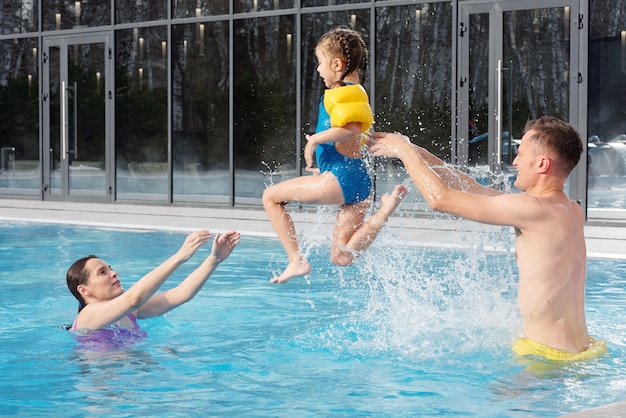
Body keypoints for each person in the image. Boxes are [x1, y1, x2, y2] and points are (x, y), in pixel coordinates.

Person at [368, 116, 607, 362]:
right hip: (583, 350)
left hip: (545, 358)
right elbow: (468, 187)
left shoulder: (532, 209)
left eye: (521, 155)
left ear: (542, 164)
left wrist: (405, 153)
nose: (514, 162)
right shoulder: (571, 209)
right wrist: (414, 149)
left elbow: (440, 199)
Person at [262, 27, 407, 284]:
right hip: (356, 179)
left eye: (320, 63)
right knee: (342, 256)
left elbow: (351, 128)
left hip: (343, 177)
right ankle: (385, 210)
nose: (318, 69)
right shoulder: (352, 92)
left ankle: (296, 261)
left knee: (271, 197)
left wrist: (315, 140)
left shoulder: (343, 92)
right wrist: (325, 165)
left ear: (337, 64)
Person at [66, 230, 240, 340]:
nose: (114, 273)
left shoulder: (129, 313)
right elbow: (134, 299)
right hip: (102, 392)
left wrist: (214, 260)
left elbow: (181, 294)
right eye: (102, 272)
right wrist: (179, 257)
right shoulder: (88, 316)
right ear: (84, 290)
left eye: (110, 268)